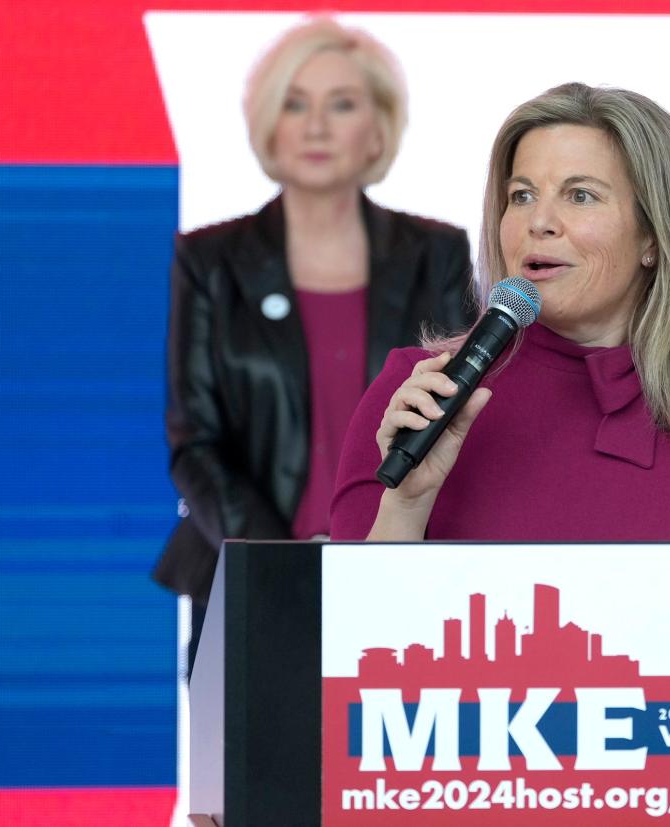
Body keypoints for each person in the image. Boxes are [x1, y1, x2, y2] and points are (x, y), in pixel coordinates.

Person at [330, 82, 670, 544]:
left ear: (653, 235)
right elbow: (347, 627)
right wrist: (406, 506)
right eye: (521, 196)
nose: (538, 222)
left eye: (580, 195)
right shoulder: (422, 394)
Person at [151, 18, 476, 638]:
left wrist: (369, 544)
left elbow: (456, 415)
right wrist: (282, 562)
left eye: (342, 104)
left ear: (378, 128)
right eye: (295, 103)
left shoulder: (436, 253)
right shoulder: (209, 261)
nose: (317, 126)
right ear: (269, 122)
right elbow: (196, 440)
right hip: (248, 575)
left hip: (397, 573)